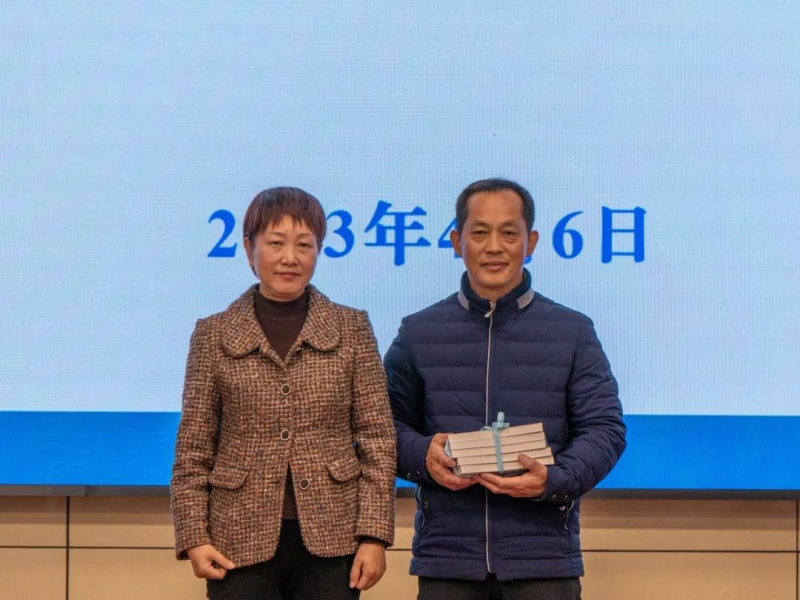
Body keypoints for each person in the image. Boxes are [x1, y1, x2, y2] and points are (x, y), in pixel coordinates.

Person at [384, 177, 626, 599]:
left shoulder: (572, 332)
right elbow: (382, 428)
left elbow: (605, 429)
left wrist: (555, 479)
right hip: (449, 559)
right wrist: (422, 456)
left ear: (531, 242)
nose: (494, 247)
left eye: (509, 233)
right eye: (479, 233)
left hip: (542, 557)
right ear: (457, 241)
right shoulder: (419, 332)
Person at [171, 187, 396, 600]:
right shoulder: (213, 334)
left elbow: (377, 439)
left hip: (335, 535)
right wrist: (194, 536)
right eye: (276, 243)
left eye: (304, 245)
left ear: (318, 251)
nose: (290, 257)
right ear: (249, 248)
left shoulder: (352, 328)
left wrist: (374, 536)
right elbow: (194, 447)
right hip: (236, 537)